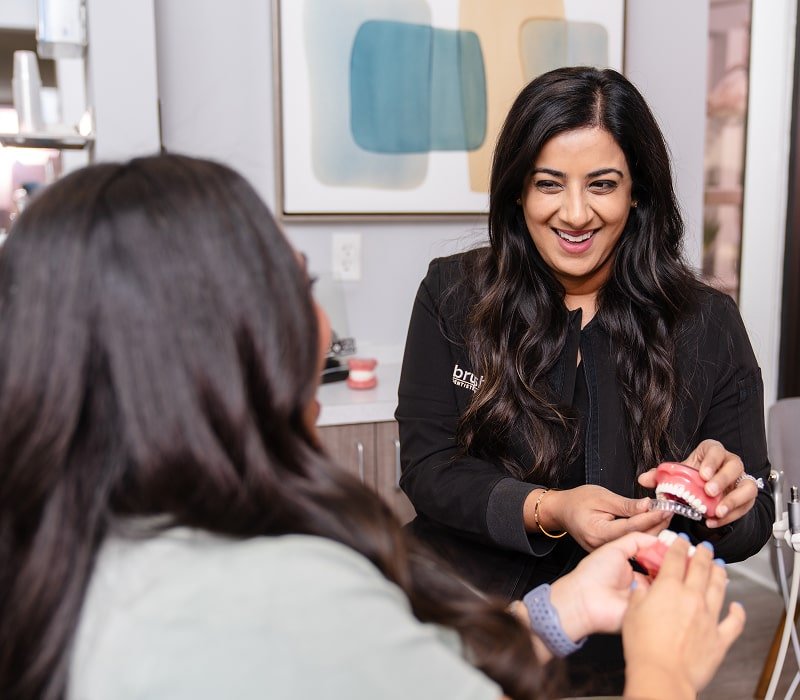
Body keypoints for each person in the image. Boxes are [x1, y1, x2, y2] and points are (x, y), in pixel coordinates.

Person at [0, 154, 743, 700]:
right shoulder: (288, 591)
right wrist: (666, 671)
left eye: (603, 184)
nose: (324, 331)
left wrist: (563, 609)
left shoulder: (76, 561)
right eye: (301, 286)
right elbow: (425, 477)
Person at [395, 66, 773, 692]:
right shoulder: (454, 294)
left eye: (603, 185)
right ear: (518, 191)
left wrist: (725, 500)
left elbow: (752, 515)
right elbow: (429, 468)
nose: (575, 213)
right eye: (549, 184)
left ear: (638, 195)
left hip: (627, 643)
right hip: (463, 616)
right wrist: (552, 509)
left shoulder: (707, 323)